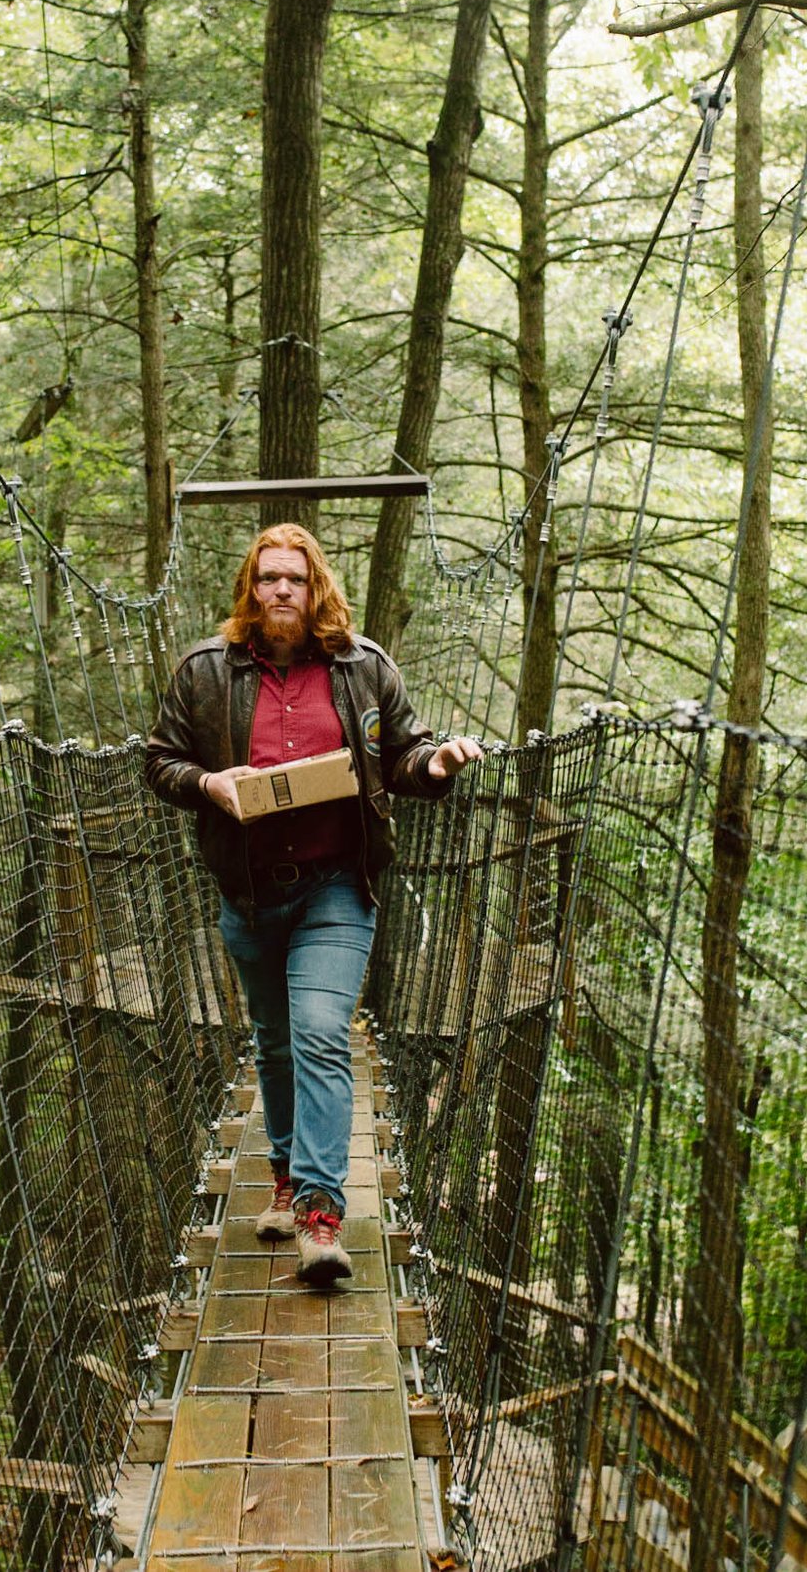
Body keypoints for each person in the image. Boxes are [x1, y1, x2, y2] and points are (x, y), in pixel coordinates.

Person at [146, 523, 482, 1286]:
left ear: (316, 584)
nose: (282, 591)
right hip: (250, 890)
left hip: (337, 884)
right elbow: (160, 760)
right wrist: (209, 785)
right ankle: (289, 1178)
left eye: (295, 578)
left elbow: (404, 754)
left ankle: (322, 1217)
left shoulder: (364, 667)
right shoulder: (204, 671)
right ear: (250, 587)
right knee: (272, 1039)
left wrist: (437, 763)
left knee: (321, 1032)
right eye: (268, 578)